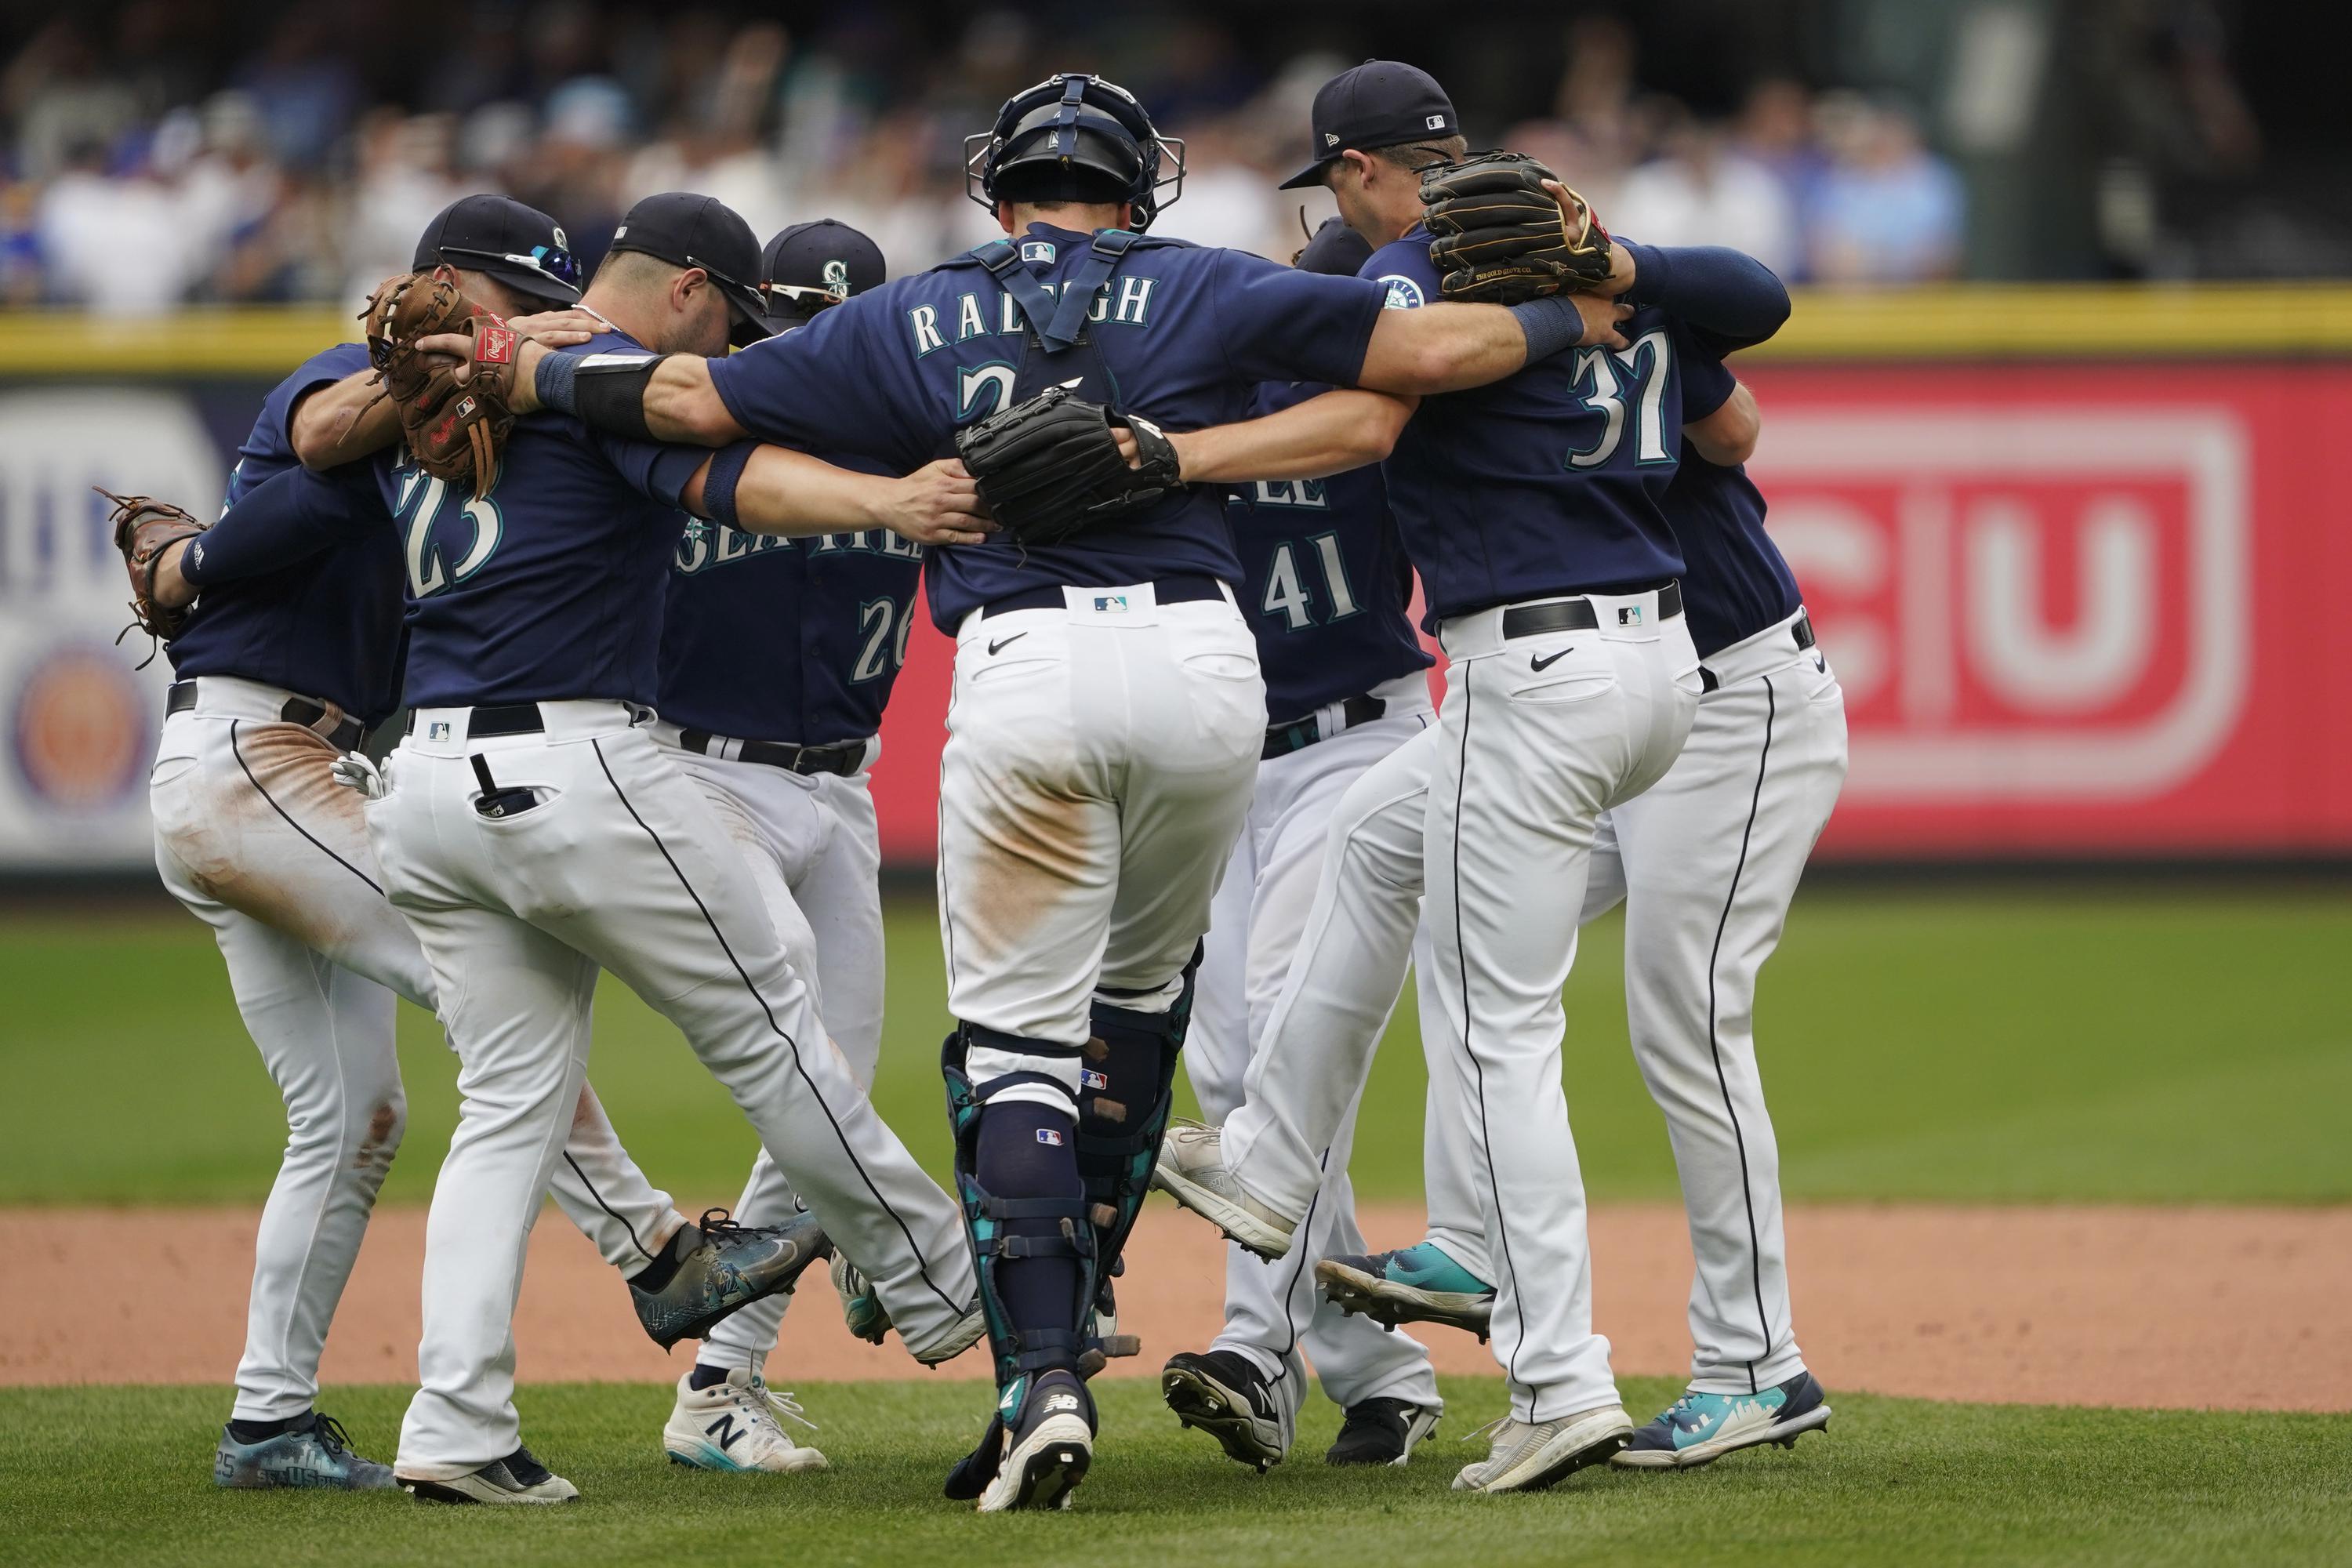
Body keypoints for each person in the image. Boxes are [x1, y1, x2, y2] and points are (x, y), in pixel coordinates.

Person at [431, 71, 1635, 1511]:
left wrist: (529, 371)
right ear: (1139, 186)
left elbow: (687, 395)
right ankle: (1106, 1303)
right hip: (1206, 670)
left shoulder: (912, 311)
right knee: (1143, 1015)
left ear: (999, 189)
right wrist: (1580, 312)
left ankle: (1042, 1377)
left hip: (1025, 669)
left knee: (1014, 1050)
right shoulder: (1205, 282)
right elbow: (1422, 361)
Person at [180, 191, 994, 1503]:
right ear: (683, 290)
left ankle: (455, 1429)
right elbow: (730, 471)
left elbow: (326, 438)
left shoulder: (441, 400)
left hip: (425, 780)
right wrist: (890, 499)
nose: (726, 342)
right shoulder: (590, 375)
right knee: (778, 1030)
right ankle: (957, 1295)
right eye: (724, 313)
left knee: (504, 1113)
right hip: (574, 758)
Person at [1144, 59, 1792, 1494]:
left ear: (1369, 170)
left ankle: (1561, 1378)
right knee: (1383, 853)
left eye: (1351, 187)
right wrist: (1599, 289)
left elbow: (1379, 391)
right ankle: (1266, 1157)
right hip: (1654, 657)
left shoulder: (1419, 279)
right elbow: (1740, 407)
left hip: (1536, 665)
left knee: (1499, 1028)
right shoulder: (1575, 256)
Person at [1318, 348, 1846, 1468]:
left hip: (1735, 690)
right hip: (1612, 705)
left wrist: (1623, 271)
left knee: (1689, 1020)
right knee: (1458, 912)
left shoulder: (1584, 328)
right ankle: (1472, 1240)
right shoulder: (1507, 343)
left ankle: (1758, 1365)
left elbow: (1737, 420)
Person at [1160, 216, 1443, 1474]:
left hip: (1358, 742)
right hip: (1227, 757)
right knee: (1228, 1071)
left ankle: (1252, 1351)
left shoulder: (1388, 404)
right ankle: (1380, 1368)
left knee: (1282, 1041)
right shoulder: (1208, 392)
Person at [652, 218, 915, 1475]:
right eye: (788, 322)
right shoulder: (696, 424)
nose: (804, 348)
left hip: (845, 789)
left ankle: (721, 1385)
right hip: (704, 778)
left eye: (835, 329)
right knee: (800, 1063)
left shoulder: (920, 440)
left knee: (835, 1091)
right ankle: (890, 1249)